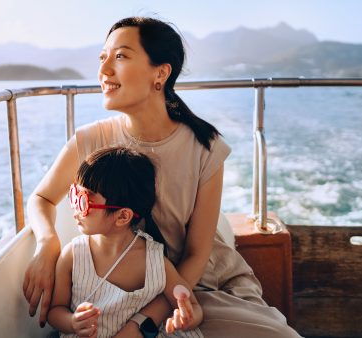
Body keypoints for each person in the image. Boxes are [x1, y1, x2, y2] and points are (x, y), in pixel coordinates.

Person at [24, 16, 301, 337]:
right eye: (103, 57)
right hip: (119, 294)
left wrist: (144, 320)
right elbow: (41, 198)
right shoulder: (90, 141)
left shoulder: (205, 148)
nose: (104, 70)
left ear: (161, 73)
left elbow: (197, 253)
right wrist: (47, 245)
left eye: (121, 56)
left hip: (196, 288)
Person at [48, 146, 203, 338]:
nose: (75, 208)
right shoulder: (72, 255)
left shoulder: (154, 262)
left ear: (122, 216)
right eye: (74, 195)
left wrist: (186, 317)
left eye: (84, 201)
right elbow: (55, 310)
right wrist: (72, 322)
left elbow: (194, 307)